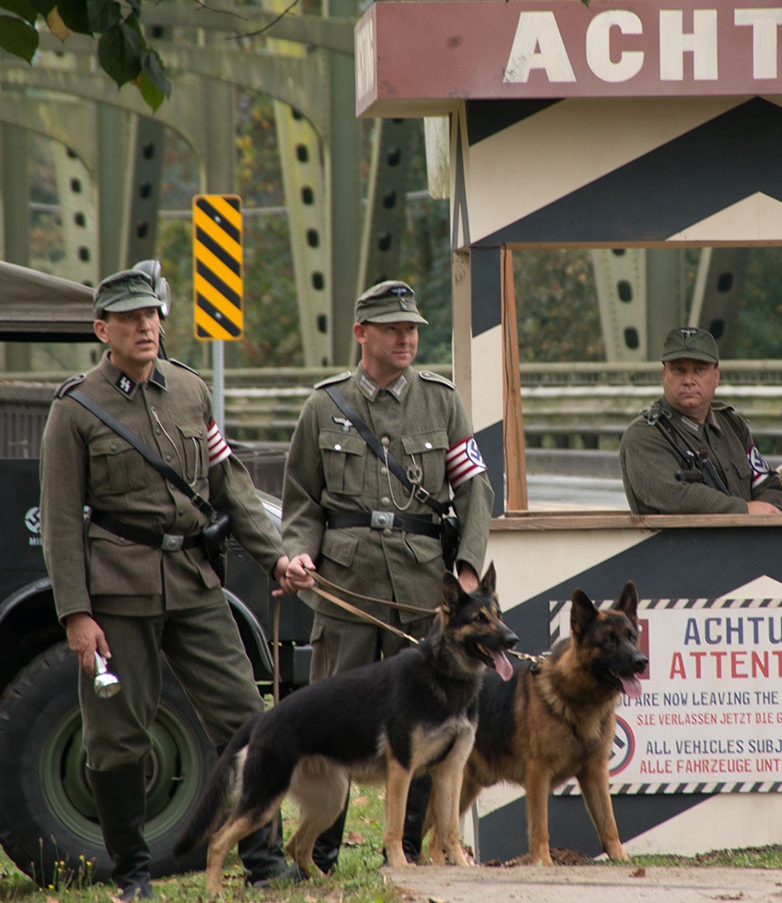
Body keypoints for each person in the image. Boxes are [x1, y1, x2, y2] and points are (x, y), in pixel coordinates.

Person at [39, 267, 297, 900]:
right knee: (116, 732)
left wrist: (276, 558)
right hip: (118, 590)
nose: (146, 326)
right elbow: (61, 519)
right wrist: (76, 614)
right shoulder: (75, 410)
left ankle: (264, 860)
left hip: (194, 580)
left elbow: (229, 483)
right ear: (103, 330)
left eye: (152, 315)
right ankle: (132, 874)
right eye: (130, 318)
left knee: (244, 715)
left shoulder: (190, 390)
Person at [278, 278, 494, 871]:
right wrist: (296, 553)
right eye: (394, 328)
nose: (406, 338)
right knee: (331, 717)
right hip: (345, 589)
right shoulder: (323, 406)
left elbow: (476, 488)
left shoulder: (441, 401)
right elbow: (300, 499)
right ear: (361, 334)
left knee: (432, 720)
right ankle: (320, 852)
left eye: (413, 329)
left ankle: (414, 854)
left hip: (421, 584)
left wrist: (468, 571)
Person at [618, 326, 782, 515]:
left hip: (746, 542)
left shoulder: (732, 426)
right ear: (664, 375)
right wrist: (744, 510)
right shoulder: (645, 435)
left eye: (699, 370)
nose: (688, 380)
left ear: (716, 376)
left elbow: (767, 483)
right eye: (679, 370)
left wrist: (769, 511)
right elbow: (673, 496)